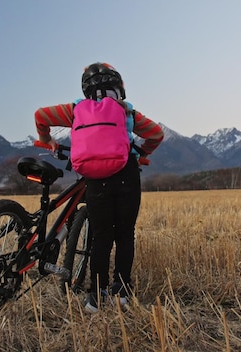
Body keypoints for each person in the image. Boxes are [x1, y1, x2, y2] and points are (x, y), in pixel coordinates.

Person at [34, 62, 164, 313]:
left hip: (95, 178)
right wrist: (141, 153)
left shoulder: (75, 109)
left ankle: (95, 294)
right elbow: (156, 134)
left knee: (101, 236)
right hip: (126, 173)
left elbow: (41, 116)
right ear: (118, 86)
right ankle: (122, 291)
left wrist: (46, 140)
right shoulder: (127, 112)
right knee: (125, 234)